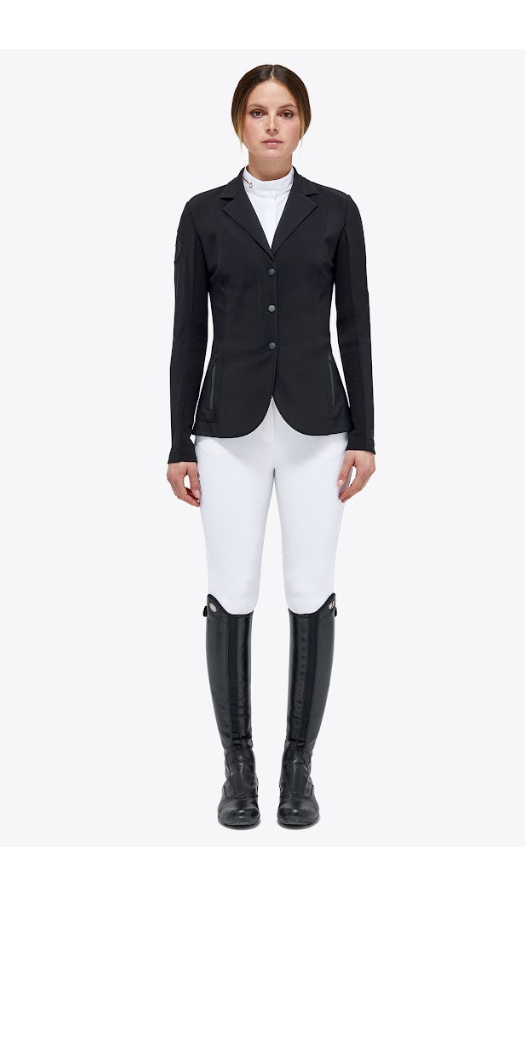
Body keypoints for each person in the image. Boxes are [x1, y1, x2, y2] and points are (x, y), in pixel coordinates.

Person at [166, 64, 376, 829]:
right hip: (228, 431)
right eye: (258, 112)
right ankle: (238, 772)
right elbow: (188, 332)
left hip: (319, 428)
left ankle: (298, 771)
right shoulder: (204, 213)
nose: (272, 125)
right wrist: (178, 442)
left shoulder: (337, 211)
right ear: (239, 123)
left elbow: (355, 325)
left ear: (304, 123)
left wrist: (366, 434)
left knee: (310, 587)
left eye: (285, 112)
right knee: (232, 589)